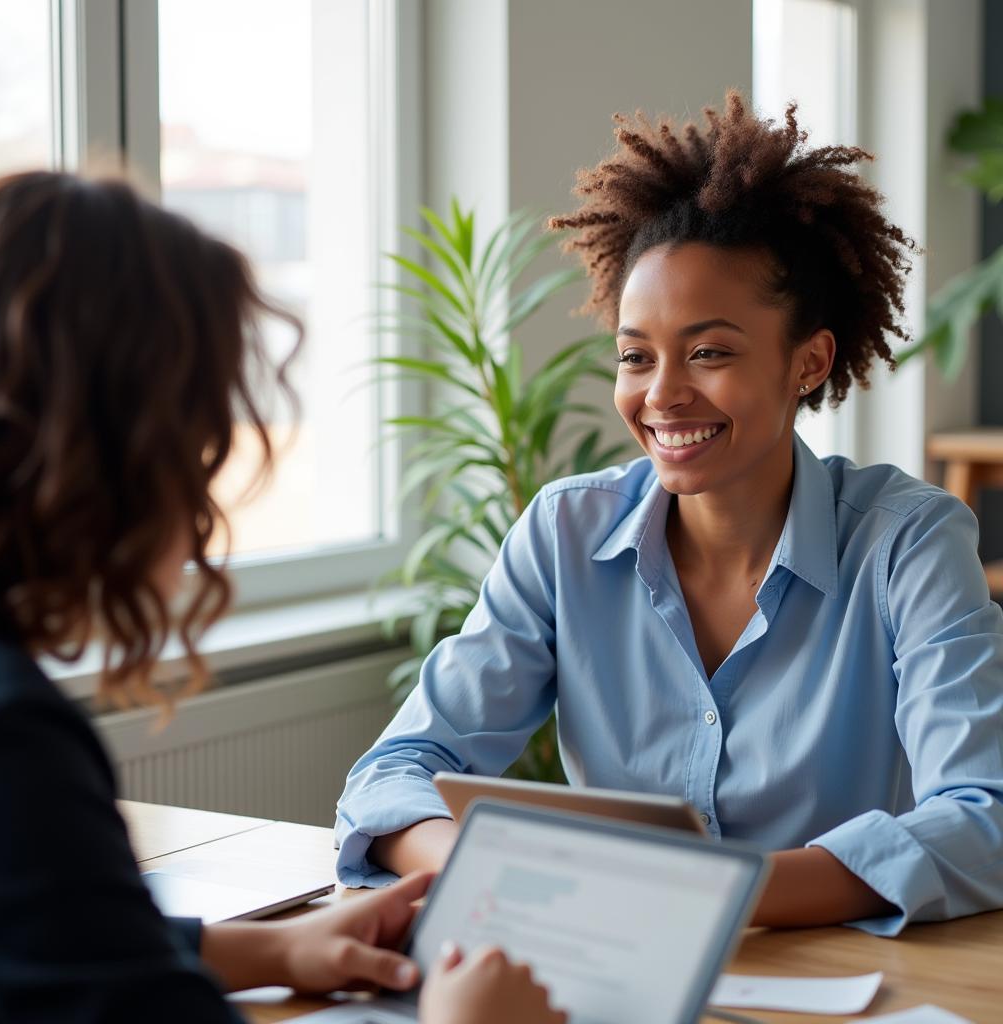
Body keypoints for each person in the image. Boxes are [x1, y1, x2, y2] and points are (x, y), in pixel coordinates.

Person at [335, 92, 1003, 937]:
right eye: (634, 356)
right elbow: (395, 770)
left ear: (810, 361)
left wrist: (706, 895)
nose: (662, 395)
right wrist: (480, 868)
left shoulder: (907, 540)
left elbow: (984, 817)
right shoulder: (564, 535)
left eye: (709, 352)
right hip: (604, 963)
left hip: (838, 977)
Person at [0, 170, 565, 1024]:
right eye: (199, 437)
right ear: (114, 452)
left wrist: (271, 948)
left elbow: (45, 942)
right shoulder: (9, 742)